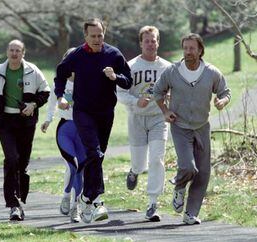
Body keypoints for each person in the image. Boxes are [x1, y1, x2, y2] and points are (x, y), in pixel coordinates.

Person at [54, 18, 133, 223]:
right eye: (93, 36)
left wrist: (115, 77)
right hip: (83, 112)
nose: (97, 39)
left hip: (106, 113)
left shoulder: (114, 54)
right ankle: (96, 201)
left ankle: (85, 199)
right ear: (85, 36)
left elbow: (128, 81)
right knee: (93, 152)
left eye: (100, 35)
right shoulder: (77, 56)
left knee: (98, 157)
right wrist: (60, 95)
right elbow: (60, 74)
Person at [153, 33, 231, 225]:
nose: (188, 52)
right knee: (188, 166)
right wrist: (165, 110)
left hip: (202, 127)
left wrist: (222, 101)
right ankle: (179, 187)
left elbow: (225, 92)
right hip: (180, 126)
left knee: (203, 173)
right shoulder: (172, 71)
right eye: (185, 48)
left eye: (192, 48)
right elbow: (157, 91)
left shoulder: (211, 72)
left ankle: (190, 213)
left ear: (200, 50)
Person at [0, 39, 50, 221]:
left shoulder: (33, 71)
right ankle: (13, 204)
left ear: (23, 53)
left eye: (18, 50)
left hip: (25, 122)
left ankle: (20, 197)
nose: (14, 53)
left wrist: (33, 104)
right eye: (11, 50)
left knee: (22, 163)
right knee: (11, 159)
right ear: (7, 52)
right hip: (5, 121)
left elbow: (45, 91)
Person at [117, 26, 170, 222]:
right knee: (140, 163)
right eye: (146, 40)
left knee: (157, 159)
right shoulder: (130, 66)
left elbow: (174, 91)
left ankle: (152, 203)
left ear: (158, 42)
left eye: (153, 40)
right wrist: (135, 101)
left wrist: (170, 99)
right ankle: (134, 172)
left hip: (158, 118)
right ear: (140, 43)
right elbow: (120, 93)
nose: (150, 44)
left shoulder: (167, 68)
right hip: (137, 118)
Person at [40, 47, 85, 223]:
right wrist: (48, 120)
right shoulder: (60, 83)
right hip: (65, 129)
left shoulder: (85, 82)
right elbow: (52, 103)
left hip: (83, 130)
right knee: (72, 165)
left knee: (79, 169)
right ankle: (67, 195)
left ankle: (75, 206)